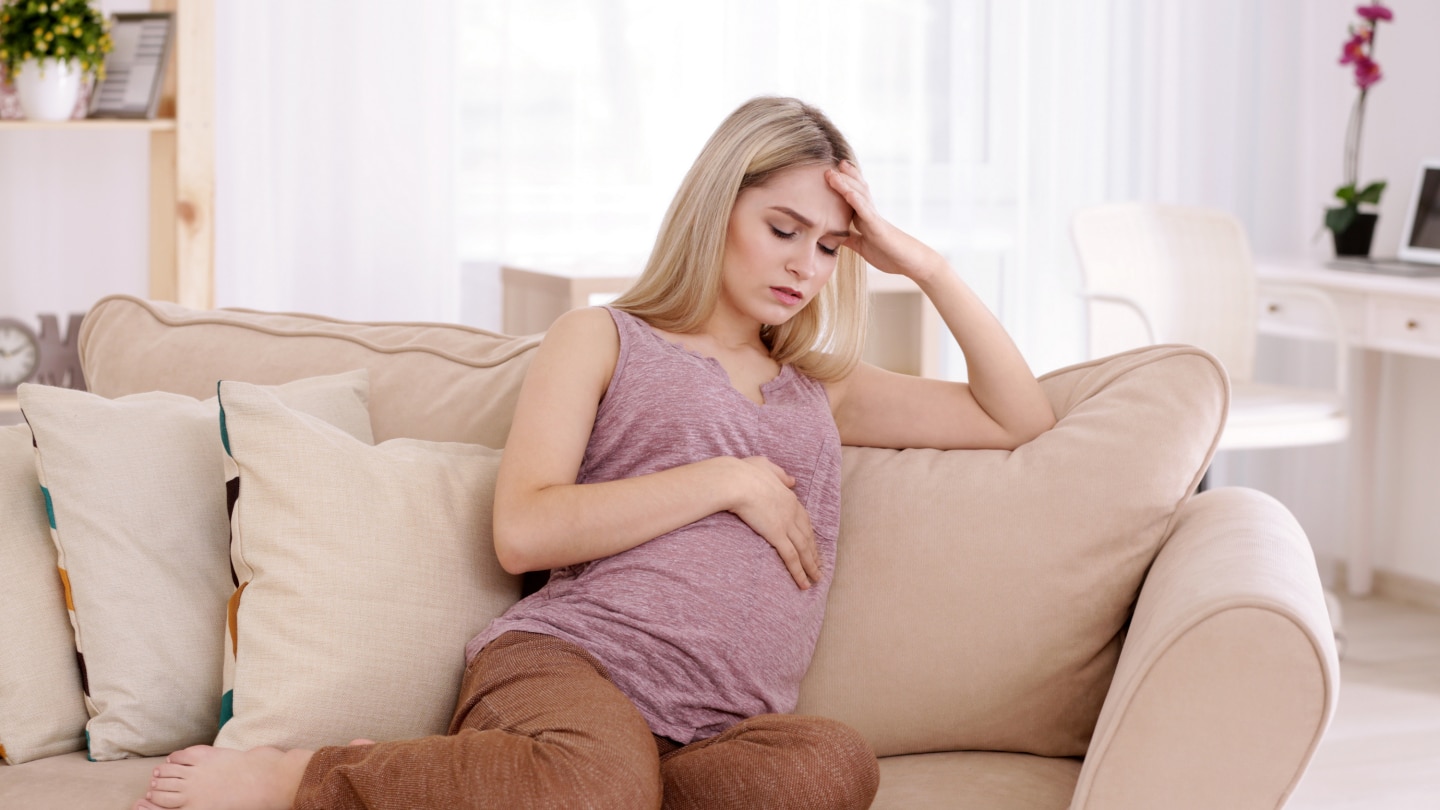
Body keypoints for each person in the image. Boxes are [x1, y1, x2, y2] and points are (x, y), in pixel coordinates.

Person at [132, 96, 1055, 810]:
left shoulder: (821, 385)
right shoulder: (605, 338)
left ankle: (490, 785)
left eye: (830, 247)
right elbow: (524, 530)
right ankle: (307, 777)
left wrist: (925, 265)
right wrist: (724, 480)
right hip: (573, 668)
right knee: (596, 782)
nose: (804, 267)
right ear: (717, 207)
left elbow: (1016, 416)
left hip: (716, 728)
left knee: (830, 765)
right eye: (783, 230)